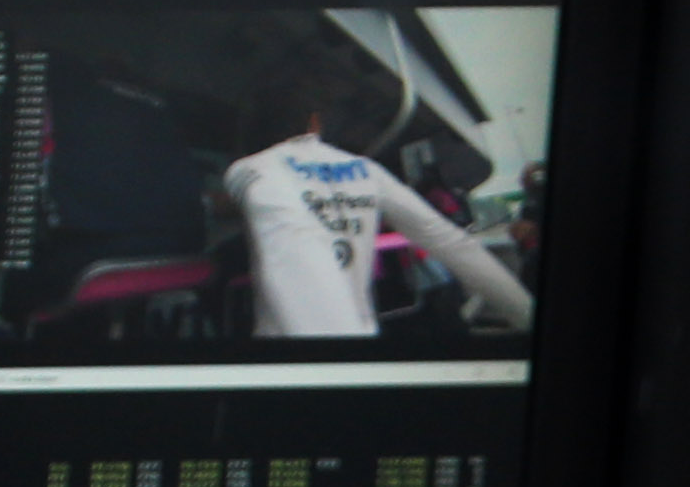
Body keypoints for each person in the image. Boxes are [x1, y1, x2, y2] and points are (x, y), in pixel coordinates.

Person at [224, 89, 533, 340]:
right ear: (316, 123)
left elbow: (292, 240)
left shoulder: (251, 169)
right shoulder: (366, 170)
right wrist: (527, 315)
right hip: (360, 338)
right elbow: (453, 244)